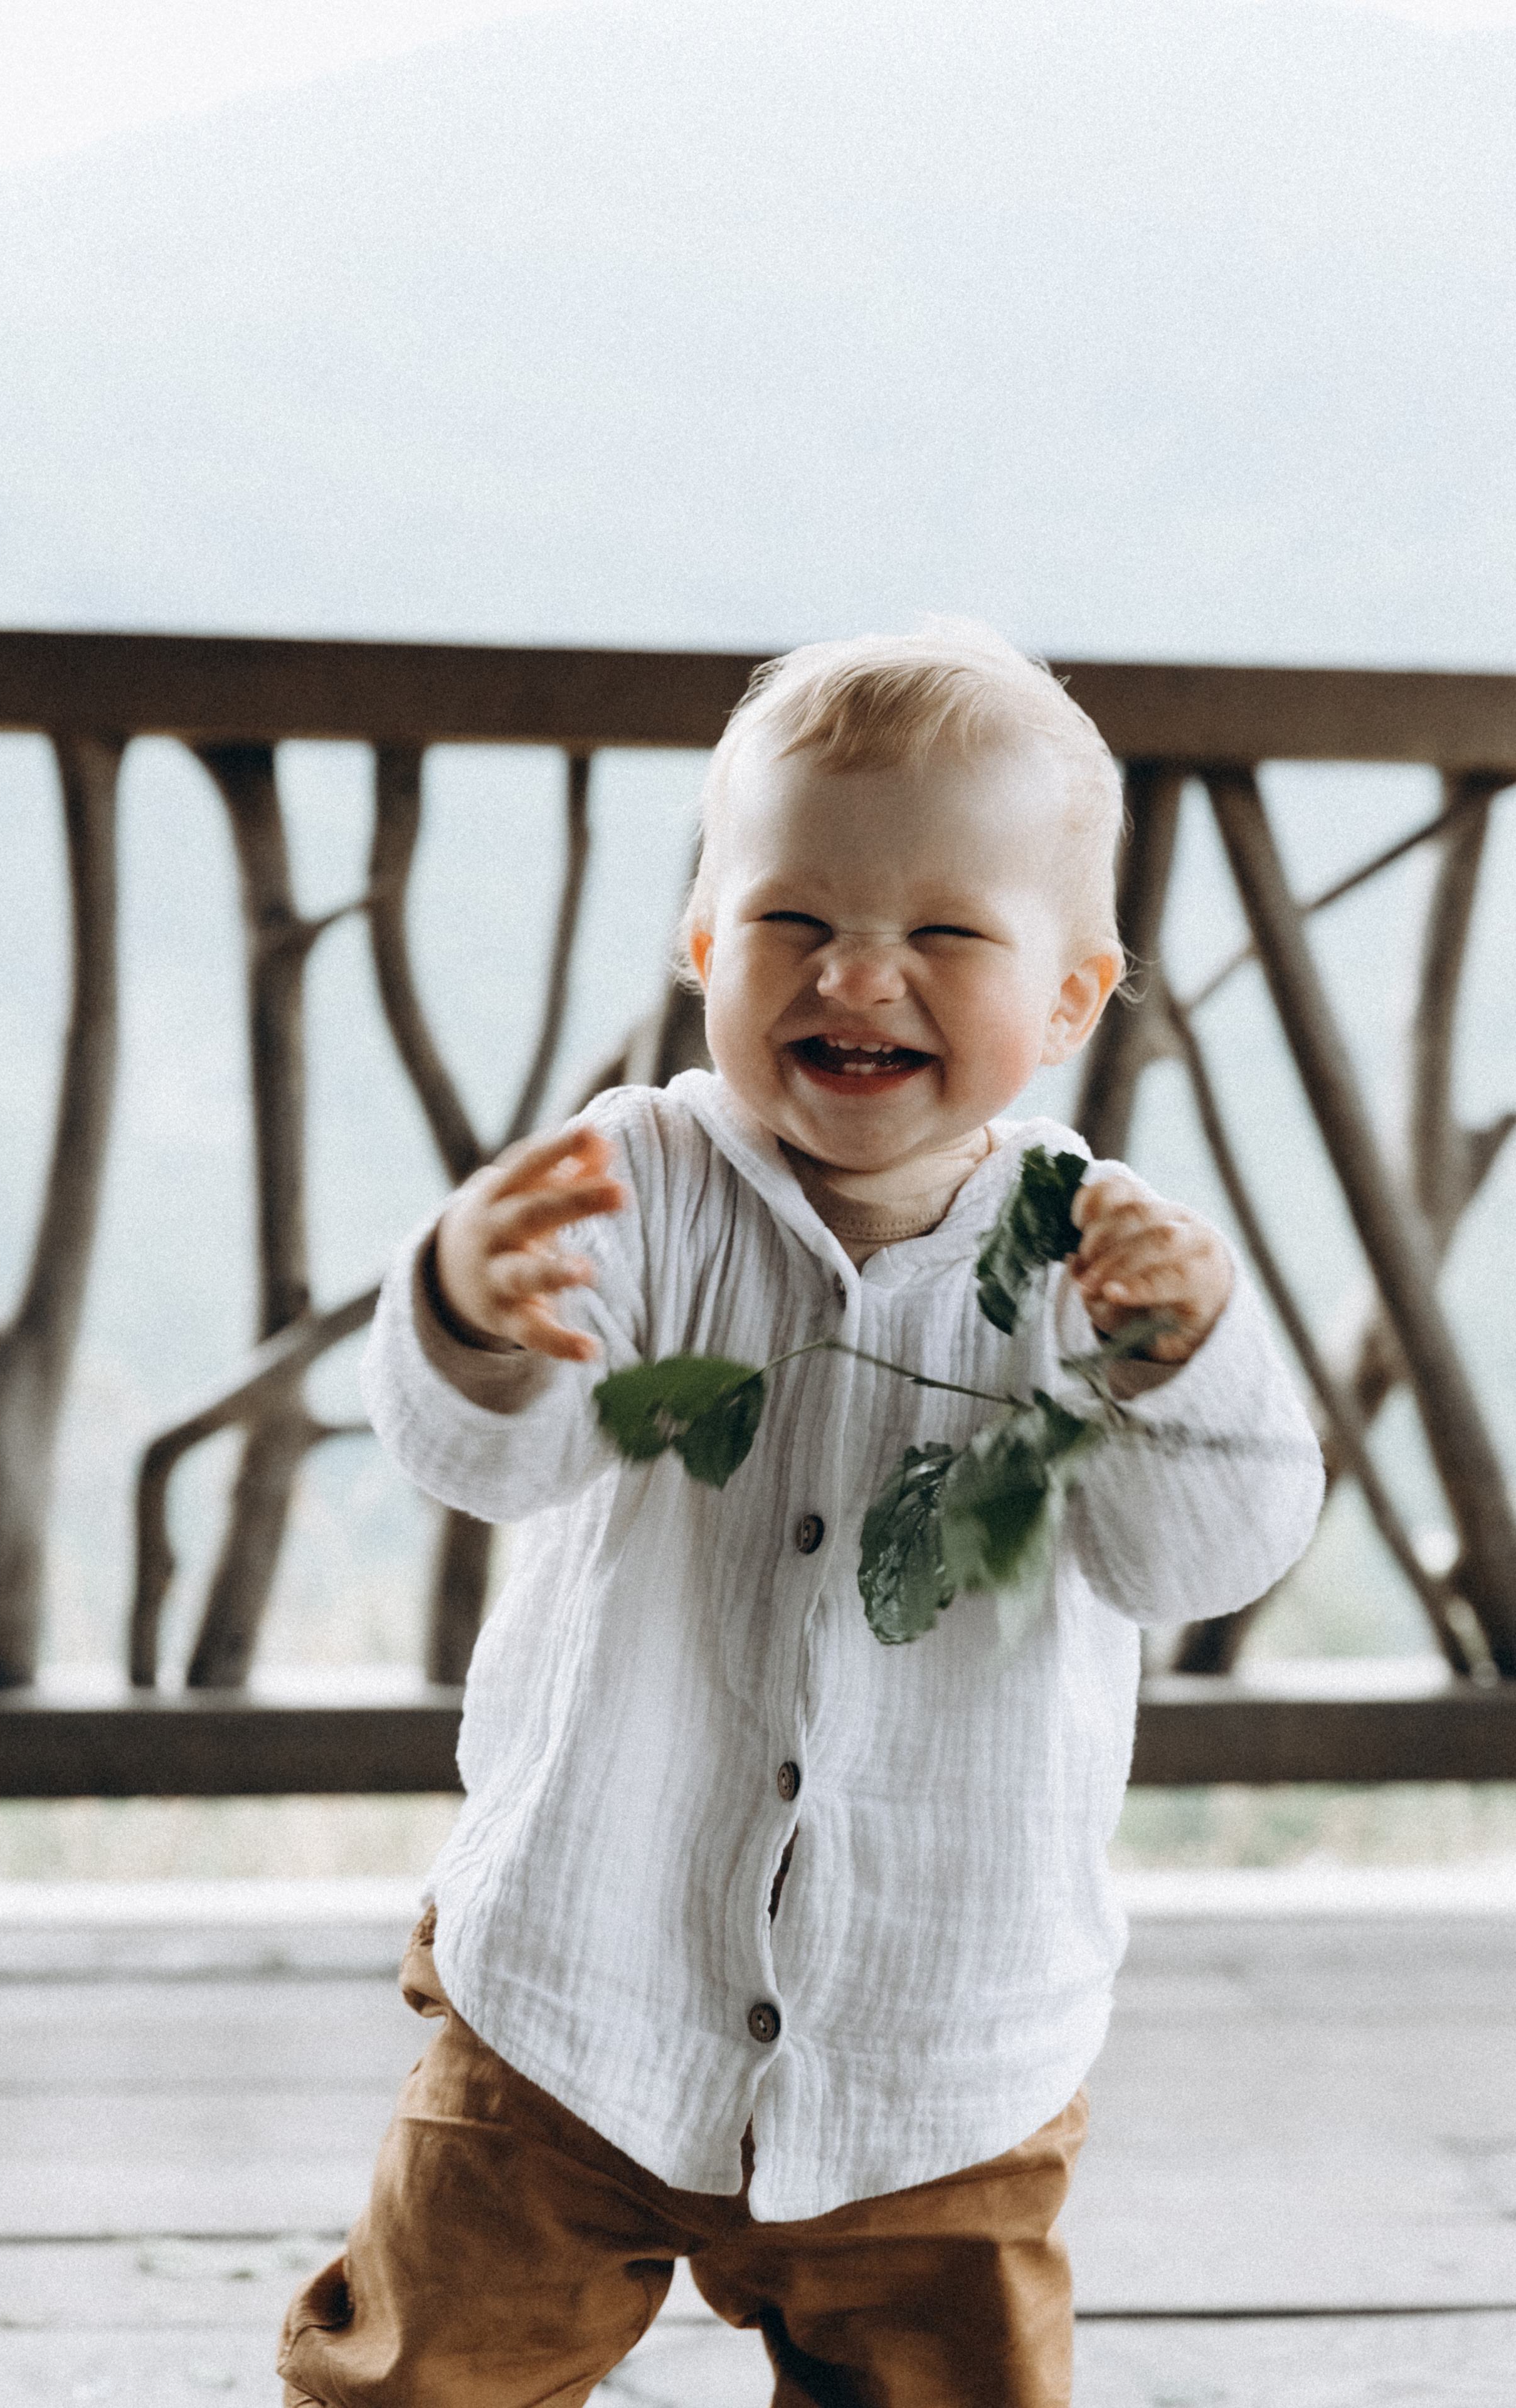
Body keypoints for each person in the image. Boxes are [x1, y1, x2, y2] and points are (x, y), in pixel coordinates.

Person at [280, 622, 1323, 2408]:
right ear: (705, 944)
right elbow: (496, 1459)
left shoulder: (1103, 1266)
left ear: (1071, 996)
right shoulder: (637, 1187)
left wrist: (1188, 1372)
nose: (858, 974)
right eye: (792, 922)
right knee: (426, 2372)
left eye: (944, 934)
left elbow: (1200, 1558)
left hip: (941, 2044)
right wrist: (466, 1310)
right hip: (577, 1994)